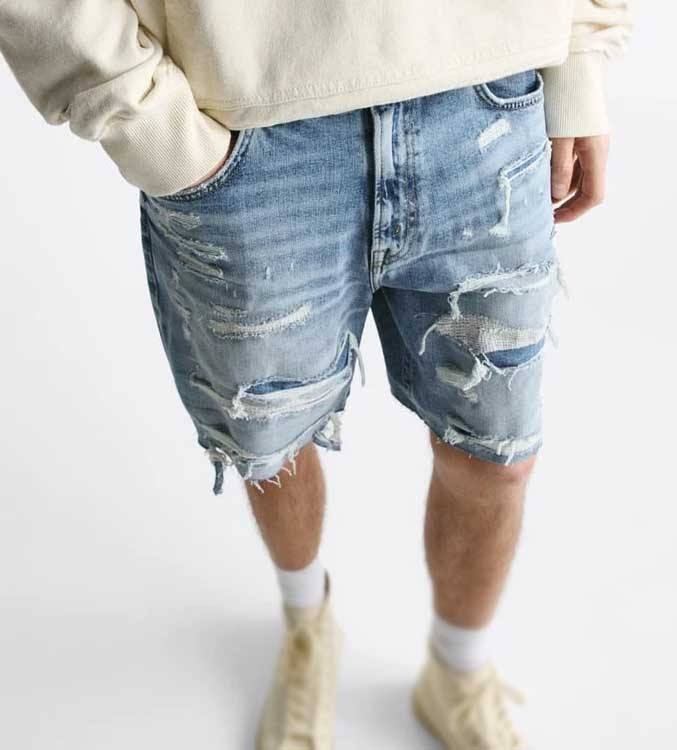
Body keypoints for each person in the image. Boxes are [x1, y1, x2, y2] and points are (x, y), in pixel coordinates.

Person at [1, 2, 632, 747]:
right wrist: (146, 121)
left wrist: (580, 51)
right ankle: (307, 626)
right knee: (272, 446)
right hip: (249, 125)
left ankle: (458, 670)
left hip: (490, 102)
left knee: (497, 456)